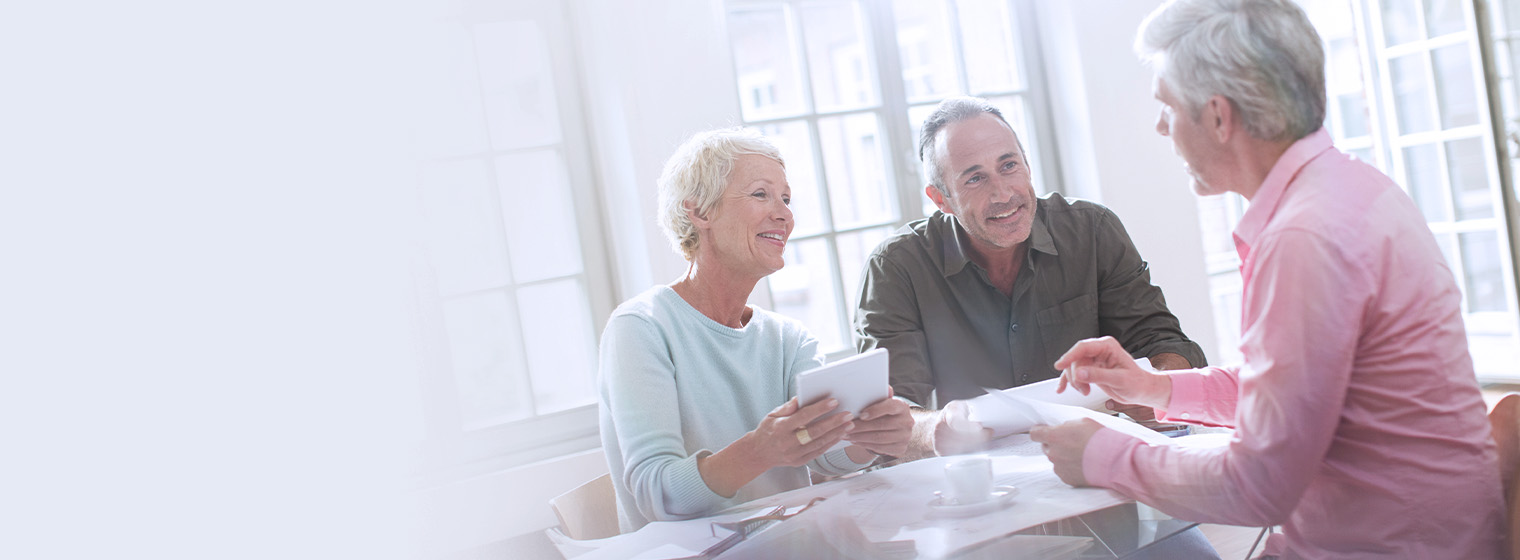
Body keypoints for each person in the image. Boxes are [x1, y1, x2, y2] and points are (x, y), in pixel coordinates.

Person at [1030, 0, 1506, 557]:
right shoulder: (1352, 189)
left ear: (1218, 117)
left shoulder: (1304, 238)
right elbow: (1290, 396)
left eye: (1168, 107)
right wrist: (1151, 387)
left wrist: (1100, 456)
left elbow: (1258, 486)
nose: (1161, 127)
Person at [597, 128, 914, 533]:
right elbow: (657, 497)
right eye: (761, 194)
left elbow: (826, 455)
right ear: (701, 213)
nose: (784, 213)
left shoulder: (789, 338)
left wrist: (871, 440)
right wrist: (760, 451)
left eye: (786, 198)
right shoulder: (640, 328)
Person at [854, 96, 1206, 455]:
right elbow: (890, 414)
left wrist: (1159, 386)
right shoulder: (895, 268)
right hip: (971, 483)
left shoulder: (1093, 230)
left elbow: (1167, 345)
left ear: (1027, 166)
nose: (1003, 194)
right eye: (975, 178)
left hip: (1094, 464)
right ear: (940, 199)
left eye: (1009, 166)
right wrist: (934, 430)